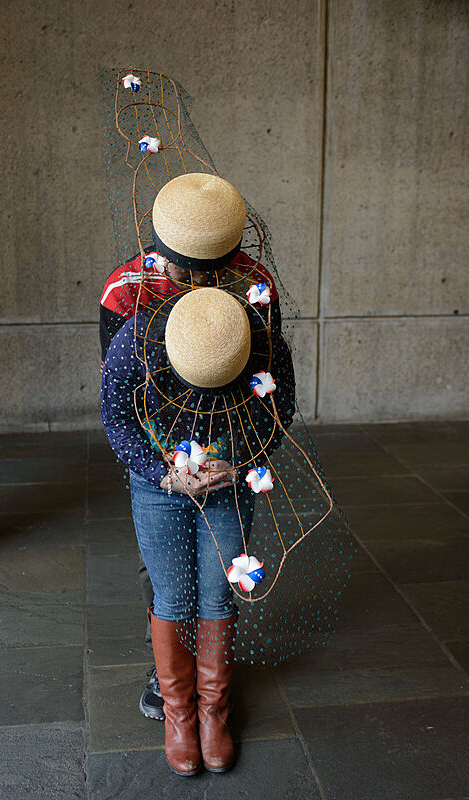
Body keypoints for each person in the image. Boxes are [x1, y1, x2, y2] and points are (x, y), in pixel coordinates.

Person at [101, 173, 296, 775]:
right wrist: (165, 472)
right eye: (194, 272)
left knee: (218, 591)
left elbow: (271, 394)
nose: (209, 282)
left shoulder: (256, 288)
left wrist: (237, 460)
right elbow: (120, 402)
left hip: (230, 467)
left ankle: (213, 710)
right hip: (161, 466)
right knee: (170, 587)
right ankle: (178, 704)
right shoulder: (127, 297)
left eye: (221, 269)